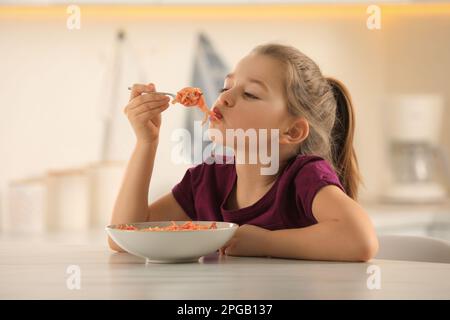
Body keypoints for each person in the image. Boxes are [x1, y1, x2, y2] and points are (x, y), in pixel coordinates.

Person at [109, 43, 379, 262]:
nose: (224, 98)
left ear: (293, 132)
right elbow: (124, 236)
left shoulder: (304, 178)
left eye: (250, 94)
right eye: (225, 87)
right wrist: (146, 143)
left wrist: (266, 242)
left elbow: (361, 240)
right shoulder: (207, 181)